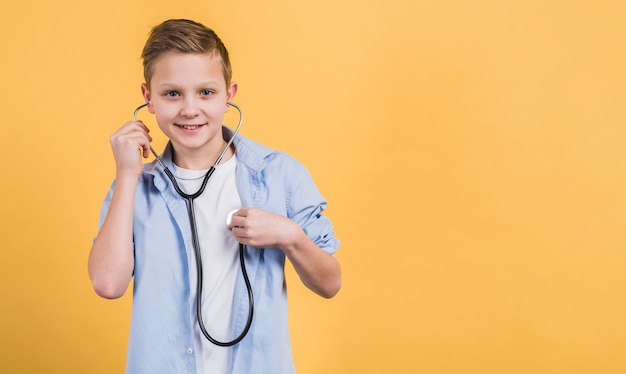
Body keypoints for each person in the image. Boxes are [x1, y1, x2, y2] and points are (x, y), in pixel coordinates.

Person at [88, 19, 341, 374]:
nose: (190, 109)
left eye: (206, 92)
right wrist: (127, 174)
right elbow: (108, 283)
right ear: (148, 98)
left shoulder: (279, 174)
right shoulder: (134, 188)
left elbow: (330, 283)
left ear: (229, 95)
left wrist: (289, 236)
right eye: (172, 93)